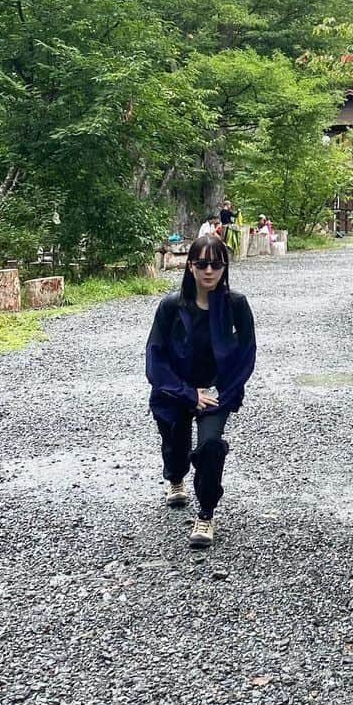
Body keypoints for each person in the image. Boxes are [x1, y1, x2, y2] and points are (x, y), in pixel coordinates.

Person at [145, 234, 257, 548]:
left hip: (216, 393)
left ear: (224, 267)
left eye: (216, 264)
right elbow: (155, 356)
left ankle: (205, 514)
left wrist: (224, 391)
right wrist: (187, 393)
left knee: (210, 446)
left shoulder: (236, 304)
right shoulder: (171, 306)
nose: (209, 271)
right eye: (202, 264)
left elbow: (247, 353)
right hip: (176, 390)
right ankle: (176, 477)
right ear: (190, 267)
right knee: (175, 443)